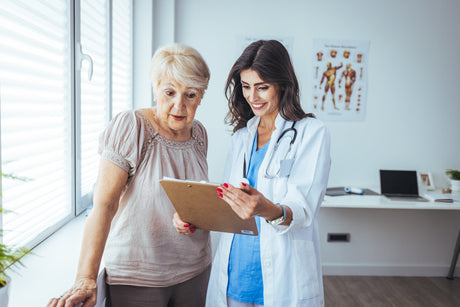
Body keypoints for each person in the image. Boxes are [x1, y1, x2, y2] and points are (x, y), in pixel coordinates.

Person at [48, 43, 212, 307]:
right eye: (169, 92)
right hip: (138, 276)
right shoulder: (133, 126)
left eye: (190, 95)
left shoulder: (200, 134)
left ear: (201, 96)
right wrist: (85, 277)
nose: (179, 105)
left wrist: (195, 215)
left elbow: (187, 197)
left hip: (194, 270)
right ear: (155, 89)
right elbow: (105, 204)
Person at [192, 39, 330, 306]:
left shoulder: (311, 133)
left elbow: (303, 210)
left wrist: (266, 208)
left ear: (282, 84)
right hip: (236, 269)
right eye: (245, 87)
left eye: (262, 87)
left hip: (282, 272)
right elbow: (230, 201)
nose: (252, 97)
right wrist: (196, 212)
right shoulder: (242, 137)